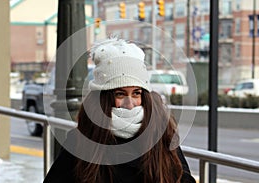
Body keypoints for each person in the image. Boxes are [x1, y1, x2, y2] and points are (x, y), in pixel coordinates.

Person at [44, 38, 196, 183]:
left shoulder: (161, 134)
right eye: (120, 94)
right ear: (104, 98)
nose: (130, 104)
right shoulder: (80, 139)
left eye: (136, 93)